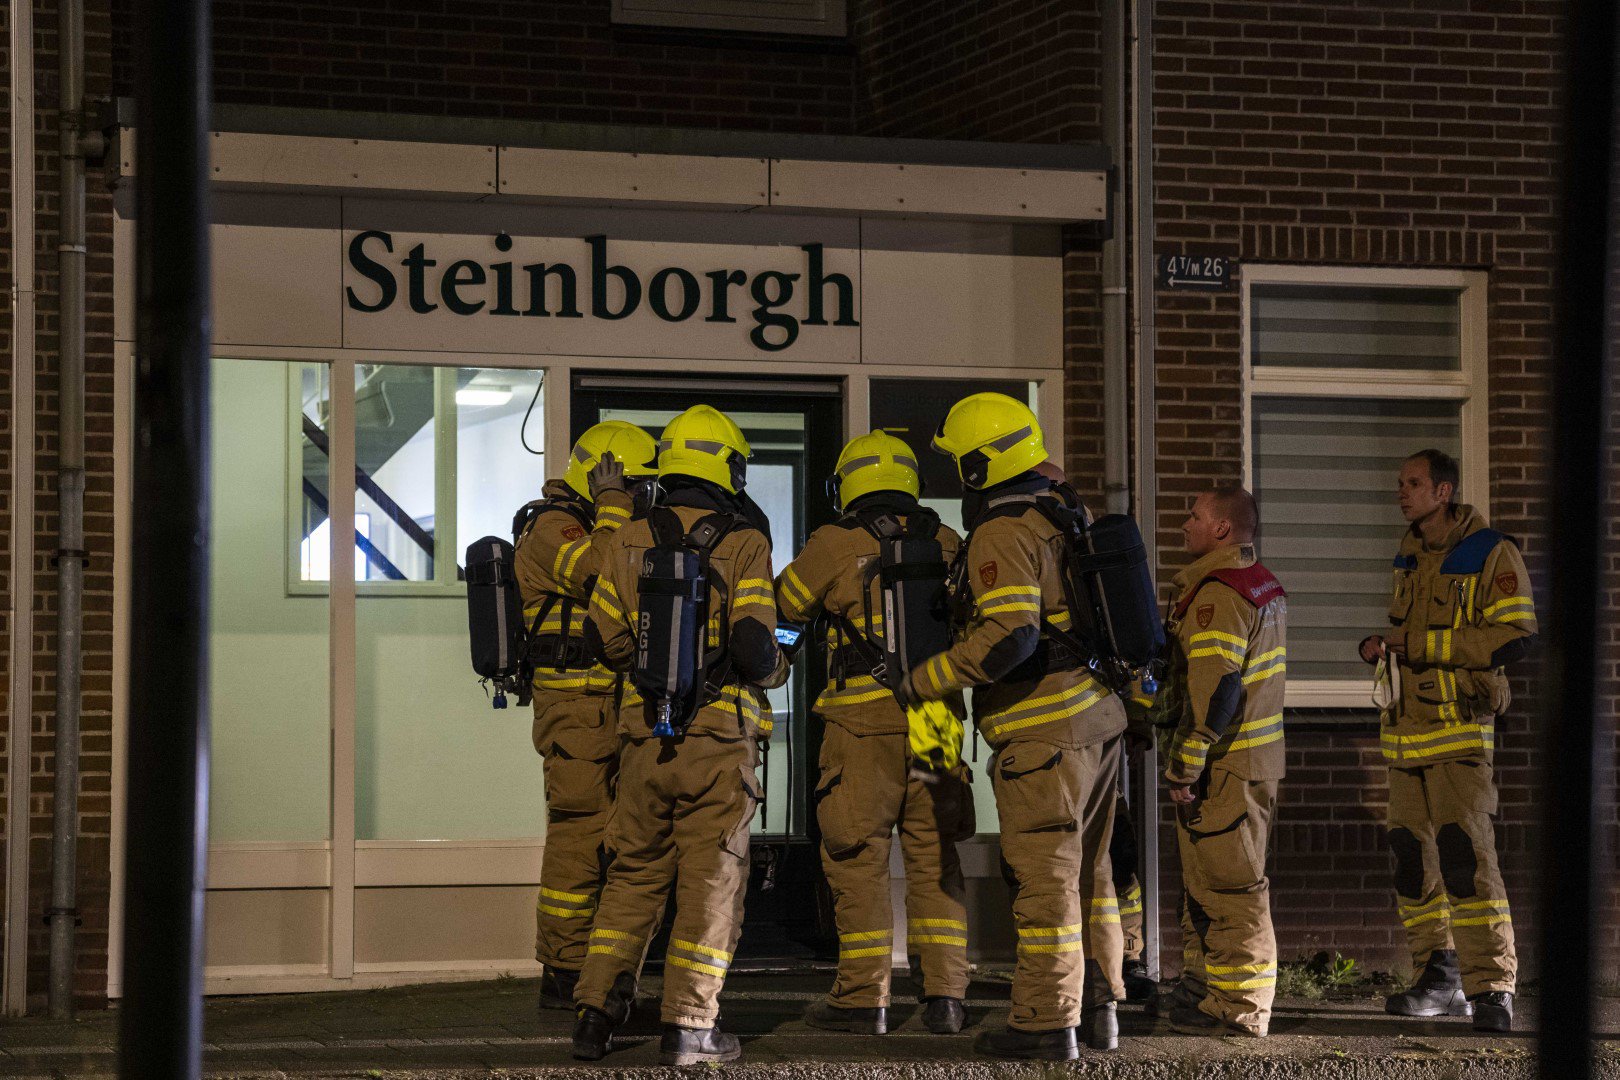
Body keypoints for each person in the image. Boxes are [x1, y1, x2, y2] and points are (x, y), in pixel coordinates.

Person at [899, 393, 1128, 1061]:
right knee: (1094, 874)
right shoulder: (1064, 512)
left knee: (1045, 879)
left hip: (1044, 732)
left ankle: (1044, 1022)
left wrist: (926, 678)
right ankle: (1101, 1011)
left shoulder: (1002, 532)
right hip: (1098, 719)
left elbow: (1010, 640)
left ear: (978, 466)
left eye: (959, 461)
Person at [571, 404, 785, 1066]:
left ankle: (595, 1013)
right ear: (730, 468)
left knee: (632, 873)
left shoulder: (630, 536)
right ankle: (690, 1028)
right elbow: (754, 650)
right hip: (717, 740)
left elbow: (600, 637)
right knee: (710, 880)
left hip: (642, 738)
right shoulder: (746, 541)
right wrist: (775, 664)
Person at [774, 431, 974, 1037]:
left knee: (857, 857)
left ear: (849, 483)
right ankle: (945, 998)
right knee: (935, 857)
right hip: (936, 717)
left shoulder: (835, 542)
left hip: (861, 722)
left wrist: (774, 663)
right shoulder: (945, 540)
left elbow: (786, 607)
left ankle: (864, 999)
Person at [1358, 449, 1536, 1033]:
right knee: (1413, 860)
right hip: (1406, 734)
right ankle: (1439, 975)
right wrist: (1383, 646)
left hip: (1458, 734)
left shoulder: (1490, 552)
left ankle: (1492, 989)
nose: (1401, 493)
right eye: (1400, 482)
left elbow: (1515, 634)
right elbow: (1407, 628)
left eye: (1413, 483)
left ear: (1444, 491)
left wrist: (1426, 648)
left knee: (1466, 858)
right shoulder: (1408, 551)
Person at [511, 420, 656, 1015]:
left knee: (617, 839)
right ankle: (565, 970)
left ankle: (597, 972)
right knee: (578, 838)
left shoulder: (592, 522)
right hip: (576, 708)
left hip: (604, 704)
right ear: (605, 477)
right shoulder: (556, 527)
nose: (646, 496)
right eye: (635, 483)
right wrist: (614, 507)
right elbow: (608, 572)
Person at [1145, 484, 1286, 1038]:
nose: (1184, 522)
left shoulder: (1218, 594)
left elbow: (1216, 689)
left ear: (1223, 528)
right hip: (1245, 759)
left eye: (1195, 514)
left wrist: (1185, 764)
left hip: (1226, 763)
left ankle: (1241, 1005)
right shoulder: (1255, 582)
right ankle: (1208, 988)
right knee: (1207, 883)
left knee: (1232, 887)